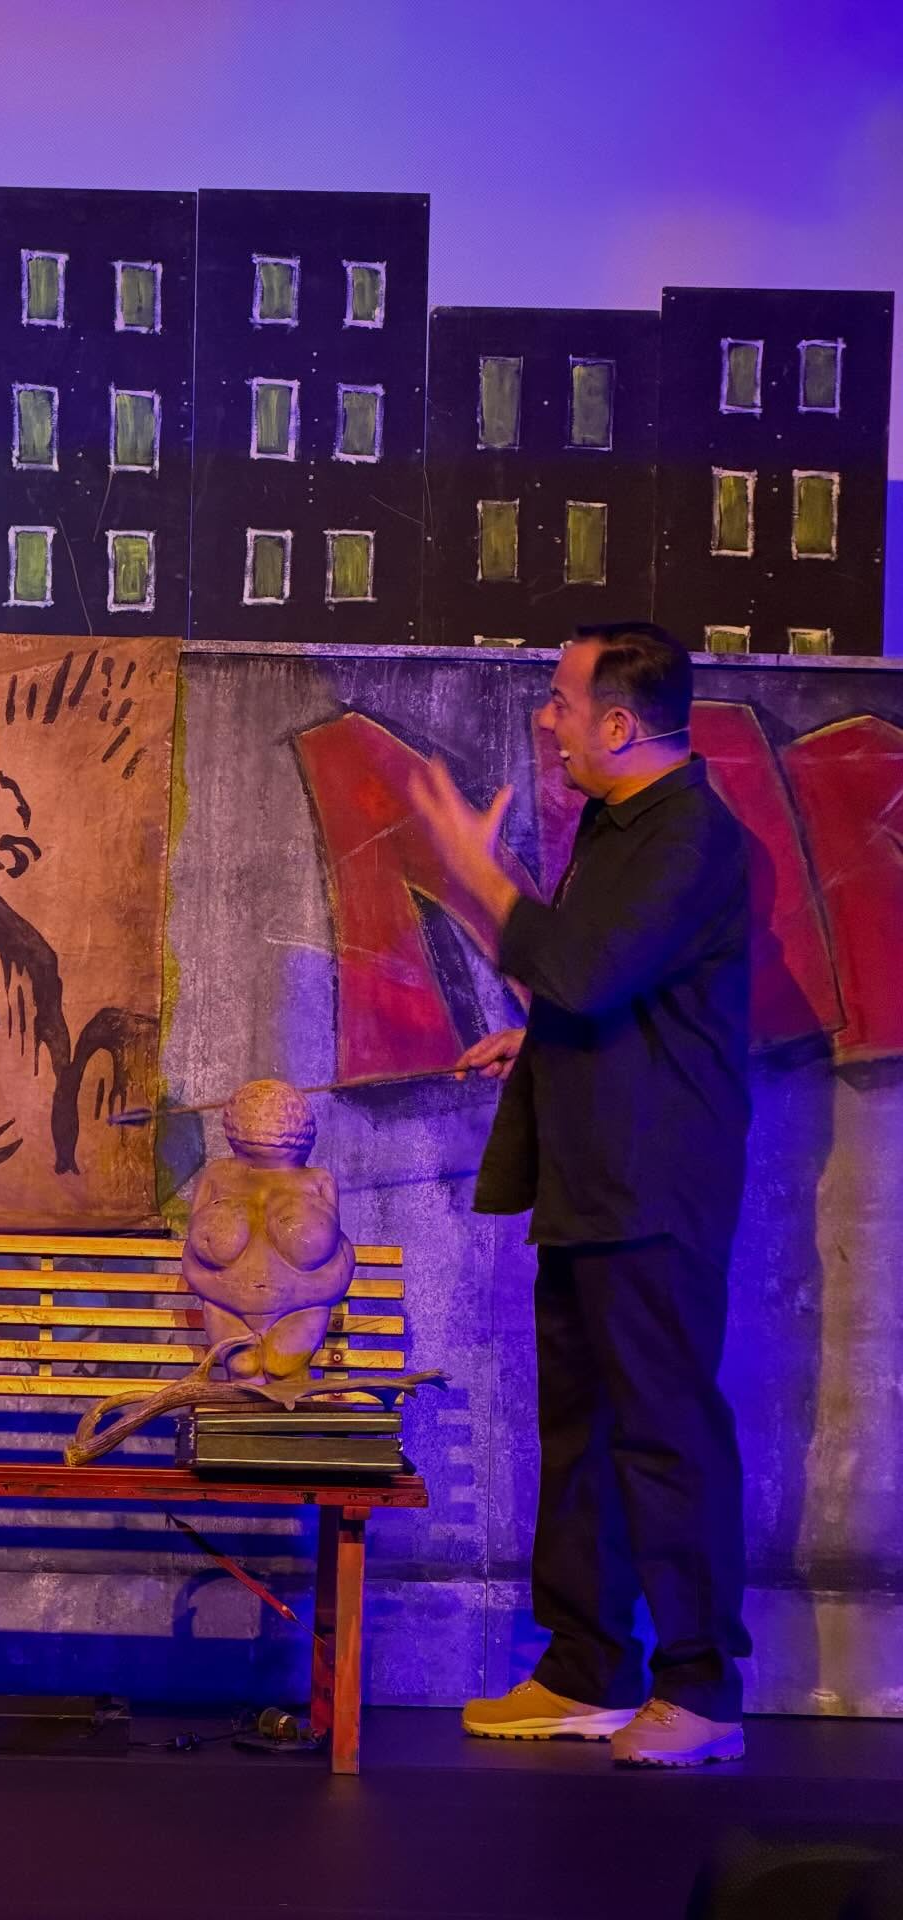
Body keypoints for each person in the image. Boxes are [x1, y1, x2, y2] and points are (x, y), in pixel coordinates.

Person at [408, 622, 752, 1769]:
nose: (545, 720)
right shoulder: (618, 824)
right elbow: (619, 991)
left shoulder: (690, 833)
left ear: (618, 721)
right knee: (584, 1435)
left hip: (655, 1186)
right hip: (592, 1176)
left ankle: (701, 1691)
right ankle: (585, 1670)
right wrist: (540, 1040)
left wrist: (478, 874)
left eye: (560, 700)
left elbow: (590, 968)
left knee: (664, 1436)